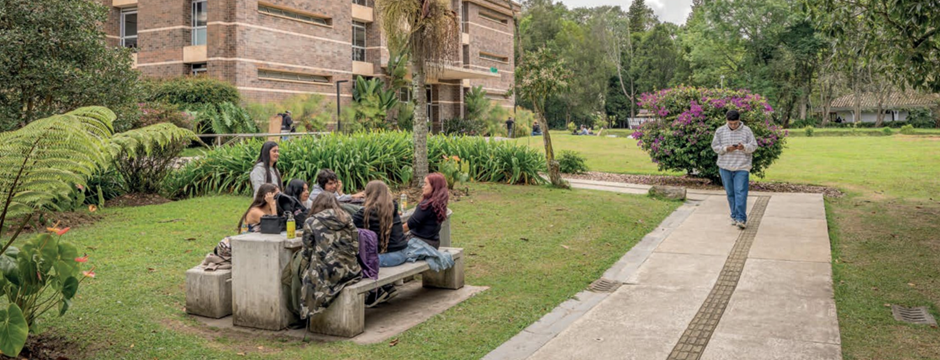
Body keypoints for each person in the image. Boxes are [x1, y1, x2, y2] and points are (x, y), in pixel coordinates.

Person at [298, 192, 362, 317]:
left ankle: (303, 313)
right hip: (351, 270)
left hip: (326, 272)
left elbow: (307, 252)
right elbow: (355, 246)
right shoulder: (347, 217)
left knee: (301, 274)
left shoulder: (311, 221)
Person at [352, 180, 406, 305]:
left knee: (357, 261)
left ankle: (379, 290)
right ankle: (385, 288)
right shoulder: (392, 207)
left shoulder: (364, 213)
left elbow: (349, 228)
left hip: (386, 257)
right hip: (402, 254)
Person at [710, 110, 758, 230]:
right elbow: (715, 147)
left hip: (742, 166)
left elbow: (754, 146)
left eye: (735, 123)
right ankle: (734, 215)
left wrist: (744, 147)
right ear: (726, 120)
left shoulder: (747, 130)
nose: (733, 126)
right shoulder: (720, 131)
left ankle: (741, 218)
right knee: (730, 193)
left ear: (739, 120)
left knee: (740, 192)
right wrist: (726, 149)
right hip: (725, 166)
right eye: (731, 124)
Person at [402, 173, 449, 249]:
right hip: (434, 243)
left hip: (420, 243)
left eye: (426, 184)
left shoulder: (426, 205)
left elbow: (408, 226)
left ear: (434, 187)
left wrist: (392, 233)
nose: (423, 186)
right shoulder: (438, 204)